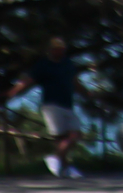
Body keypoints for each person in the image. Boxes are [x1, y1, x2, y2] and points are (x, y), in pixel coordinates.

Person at [8, 37, 83, 175]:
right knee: (61, 137)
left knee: (75, 134)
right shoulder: (43, 65)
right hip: (51, 105)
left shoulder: (68, 64)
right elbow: (27, 81)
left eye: (61, 49)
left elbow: (75, 81)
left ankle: (57, 160)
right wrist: (11, 92)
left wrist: (87, 93)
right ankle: (64, 167)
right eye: (56, 49)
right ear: (51, 50)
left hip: (67, 104)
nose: (59, 51)